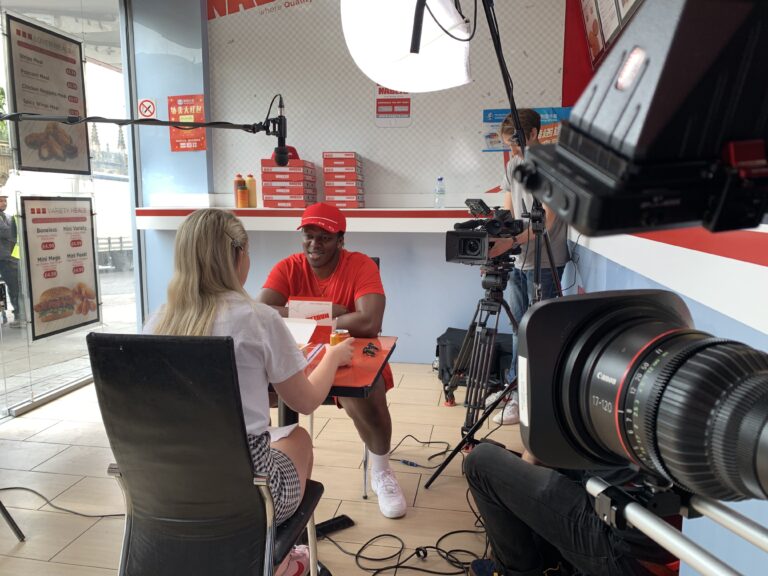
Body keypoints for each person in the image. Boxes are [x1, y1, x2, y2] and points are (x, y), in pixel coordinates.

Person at [145, 209, 355, 576]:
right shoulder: (258, 319)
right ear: (237, 254)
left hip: (163, 487)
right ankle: (282, 562)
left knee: (269, 437)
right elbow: (304, 401)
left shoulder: (156, 321)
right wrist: (334, 357)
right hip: (249, 496)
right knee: (299, 438)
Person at [258, 202, 407, 519]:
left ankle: (381, 470)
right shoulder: (288, 266)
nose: (314, 244)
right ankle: (266, 465)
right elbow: (262, 312)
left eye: (324, 238)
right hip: (296, 354)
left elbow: (369, 323)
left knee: (367, 395)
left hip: (347, 351)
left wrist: (299, 314)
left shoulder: (361, 265)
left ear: (341, 239)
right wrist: (333, 311)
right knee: (252, 386)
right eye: (309, 236)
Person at [466, 443, 677, 576]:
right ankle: (554, 562)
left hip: (627, 554)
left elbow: (539, 448)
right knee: (555, 457)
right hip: (657, 538)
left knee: (480, 462)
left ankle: (515, 572)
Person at [486, 109, 570, 425]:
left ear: (534, 134)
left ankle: (528, 398)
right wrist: (499, 231)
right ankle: (514, 389)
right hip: (520, 258)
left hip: (547, 261)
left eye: (516, 143)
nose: (513, 151)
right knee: (516, 326)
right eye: (509, 145)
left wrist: (514, 241)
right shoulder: (513, 165)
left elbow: (547, 220)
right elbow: (508, 207)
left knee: (537, 329)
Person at [0, 194, 22, 328]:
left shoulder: (8, 217)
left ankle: (19, 314)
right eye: (1, 201)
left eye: (5, 200)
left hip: (9, 258)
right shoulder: (11, 219)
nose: (4, 203)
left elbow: (13, 235)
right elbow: (7, 232)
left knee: (15, 287)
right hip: (3, 258)